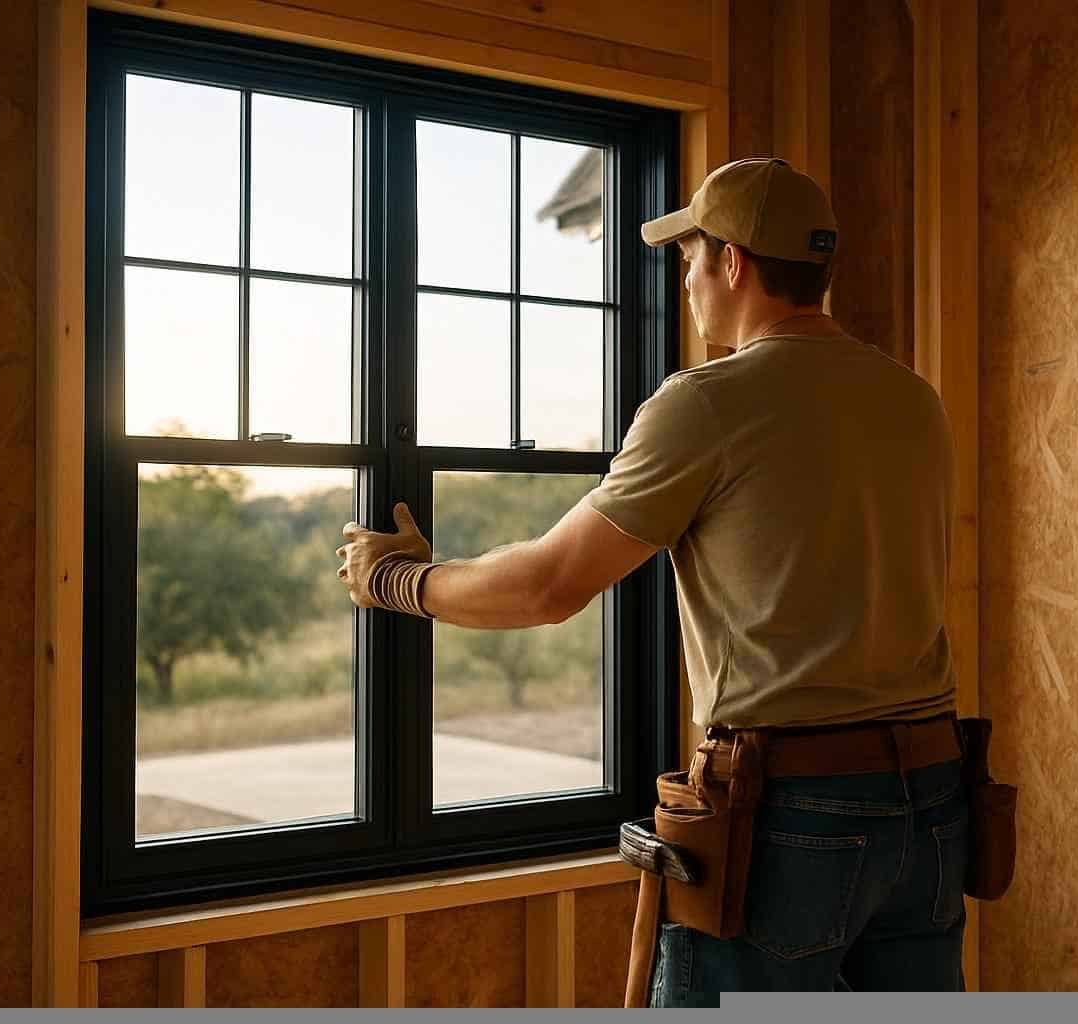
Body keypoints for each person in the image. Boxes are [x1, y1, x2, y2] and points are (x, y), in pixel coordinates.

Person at [337, 157, 966, 1005]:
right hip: (932, 800)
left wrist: (397, 580)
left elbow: (550, 585)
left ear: (733, 263)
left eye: (691, 258)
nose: (686, 280)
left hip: (796, 814)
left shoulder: (708, 402)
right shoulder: (912, 399)